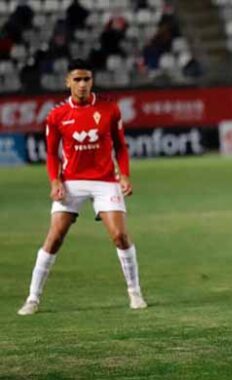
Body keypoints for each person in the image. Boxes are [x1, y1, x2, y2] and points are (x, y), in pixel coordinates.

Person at [17, 59, 146, 316]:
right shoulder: (56, 115)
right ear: (68, 82)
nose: (83, 84)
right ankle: (32, 298)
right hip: (72, 182)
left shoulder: (110, 109)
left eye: (87, 79)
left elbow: (121, 147)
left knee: (120, 236)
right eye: (77, 79)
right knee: (54, 238)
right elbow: (52, 154)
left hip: (105, 181)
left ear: (92, 81)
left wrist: (125, 175)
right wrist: (55, 181)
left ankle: (135, 293)